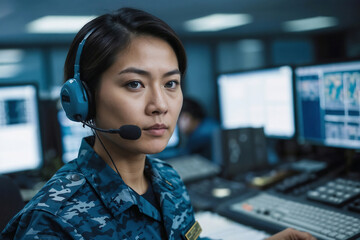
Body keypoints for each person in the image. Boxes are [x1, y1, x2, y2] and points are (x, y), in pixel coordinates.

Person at [0, 7, 316, 240]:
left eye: (171, 84)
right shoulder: (52, 222)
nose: (160, 106)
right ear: (84, 99)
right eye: (135, 84)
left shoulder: (167, 179)